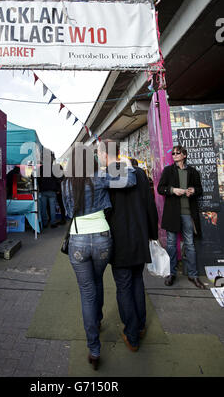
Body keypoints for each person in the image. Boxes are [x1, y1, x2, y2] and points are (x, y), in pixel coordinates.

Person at [62, 144, 136, 370]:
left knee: (87, 292)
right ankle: (99, 317)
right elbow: (130, 179)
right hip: (103, 238)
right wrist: (128, 165)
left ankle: (94, 349)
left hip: (78, 241)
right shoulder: (100, 176)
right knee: (97, 281)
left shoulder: (66, 184)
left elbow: (67, 212)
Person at [98, 141, 158, 352]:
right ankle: (140, 326)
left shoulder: (105, 177)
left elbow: (104, 209)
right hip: (139, 236)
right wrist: (152, 234)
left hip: (119, 239)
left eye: (99, 154)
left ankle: (132, 335)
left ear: (105, 155)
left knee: (124, 286)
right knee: (137, 281)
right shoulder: (139, 173)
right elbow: (150, 205)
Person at [157, 145, 206, 289]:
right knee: (171, 245)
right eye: (173, 153)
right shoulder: (168, 171)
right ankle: (171, 273)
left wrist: (193, 190)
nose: (175, 155)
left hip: (188, 213)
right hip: (172, 214)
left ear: (184, 155)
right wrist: (173, 190)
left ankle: (193, 275)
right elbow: (161, 188)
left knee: (190, 245)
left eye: (178, 153)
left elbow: (200, 189)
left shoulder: (193, 172)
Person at [38, 163, 59, 229]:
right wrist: (58, 189)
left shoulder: (41, 168)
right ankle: (53, 223)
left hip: (43, 190)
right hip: (52, 191)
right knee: (52, 208)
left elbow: (37, 178)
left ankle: (44, 223)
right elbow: (57, 179)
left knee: (43, 208)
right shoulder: (54, 168)